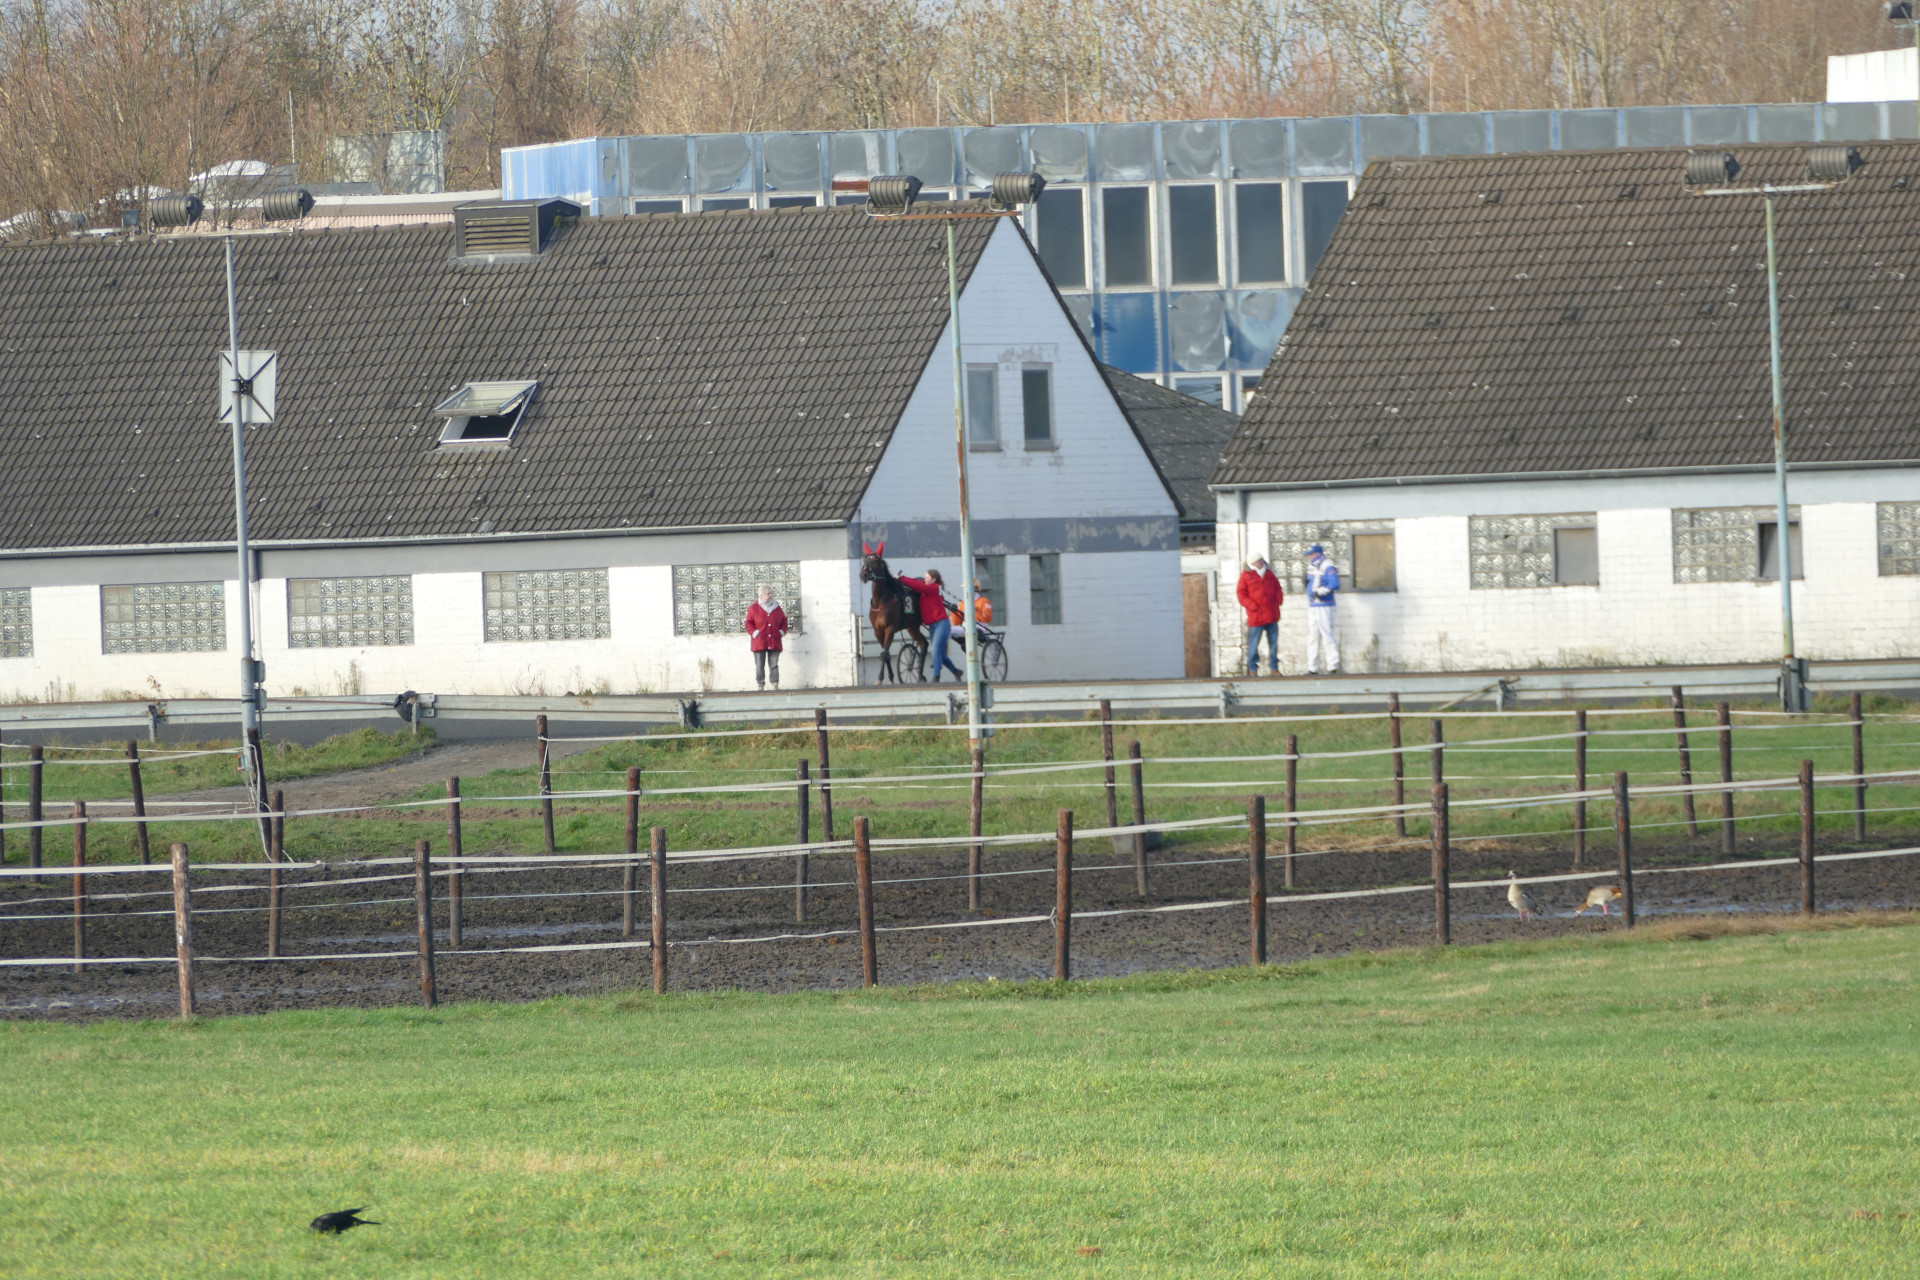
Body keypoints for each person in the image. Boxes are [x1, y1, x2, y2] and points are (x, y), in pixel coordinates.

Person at [898, 568, 963, 681]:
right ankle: (956, 671)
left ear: (933, 579)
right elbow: (917, 585)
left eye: (927, 577)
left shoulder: (935, 588)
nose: (925, 579)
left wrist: (901, 578)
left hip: (942, 624)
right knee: (941, 655)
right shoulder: (927, 590)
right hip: (933, 626)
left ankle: (936, 677)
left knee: (935, 651)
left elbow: (919, 586)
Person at [1236, 555, 1283, 676]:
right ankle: (1253, 669)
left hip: (1271, 614)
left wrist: (1279, 599)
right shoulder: (1246, 576)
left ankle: (1274, 668)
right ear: (1252, 563)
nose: (1261, 562)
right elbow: (1241, 594)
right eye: (1258, 561)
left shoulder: (1269, 574)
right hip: (1256, 616)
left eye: (1261, 560)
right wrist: (1252, 606)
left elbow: (1278, 587)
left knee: (1274, 644)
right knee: (1254, 644)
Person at [1304, 543, 1341, 674]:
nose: (1309, 557)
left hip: (1325, 605)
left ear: (1317, 553)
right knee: (1313, 637)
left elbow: (1335, 584)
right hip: (1313, 605)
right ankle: (1312, 667)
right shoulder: (1312, 567)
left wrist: (1320, 592)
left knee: (1327, 634)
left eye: (1311, 554)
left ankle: (1333, 665)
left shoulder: (1327, 565)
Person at [744, 583, 788, 689]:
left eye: (771, 593)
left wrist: (781, 631)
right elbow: (748, 623)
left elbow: (784, 621)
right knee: (759, 665)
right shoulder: (753, 608)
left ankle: (775, 683)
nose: (770, 595)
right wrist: (755, 632)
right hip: (759, 641)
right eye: (768, 593)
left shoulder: (777, 608)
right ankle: (761, 684)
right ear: (761, 595)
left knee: (774, 664)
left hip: (774, 640)